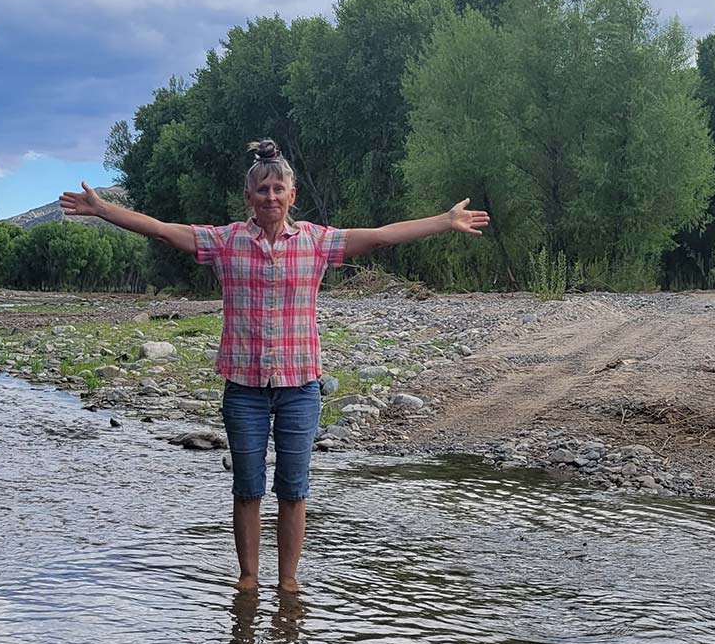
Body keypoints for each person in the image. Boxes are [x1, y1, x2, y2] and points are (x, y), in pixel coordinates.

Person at [61, 138, 487, 593]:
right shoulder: (225, 242)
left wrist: (444, 222)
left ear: (292, 194)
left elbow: (381, 235)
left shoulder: (317, 243)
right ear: (249, 197)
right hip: (243, 385)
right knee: (247, 486)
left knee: (293, 486)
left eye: (278, 188)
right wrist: (104, 209)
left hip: (300, 385)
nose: (270, 196)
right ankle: (248, 580)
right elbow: (164, 230)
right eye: (261, 189)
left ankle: (288, 583)